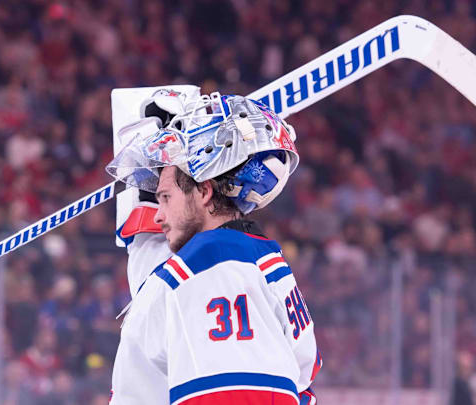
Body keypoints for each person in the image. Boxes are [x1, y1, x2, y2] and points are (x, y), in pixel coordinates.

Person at [107, 92, 320, 404]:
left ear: (204, 191)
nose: (158, 214)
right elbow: (304, 373)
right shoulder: (268, 264)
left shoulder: (209, 266)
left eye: (165, 197)